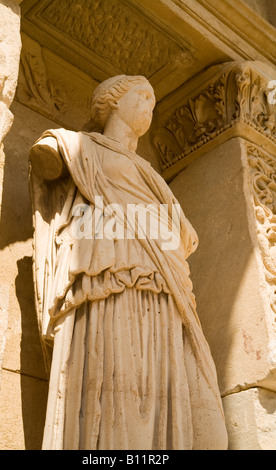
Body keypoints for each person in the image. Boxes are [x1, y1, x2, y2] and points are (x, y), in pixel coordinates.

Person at [29, 74, 228, 450]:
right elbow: (46, 159)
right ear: (113, 101)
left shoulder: (152, 174)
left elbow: (183, 236)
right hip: (108, 276)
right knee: (112, 375)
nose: (150, 106)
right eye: (143, 96)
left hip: (162, 285)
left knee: (162, 385)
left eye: (154, 101)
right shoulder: (77, 147)